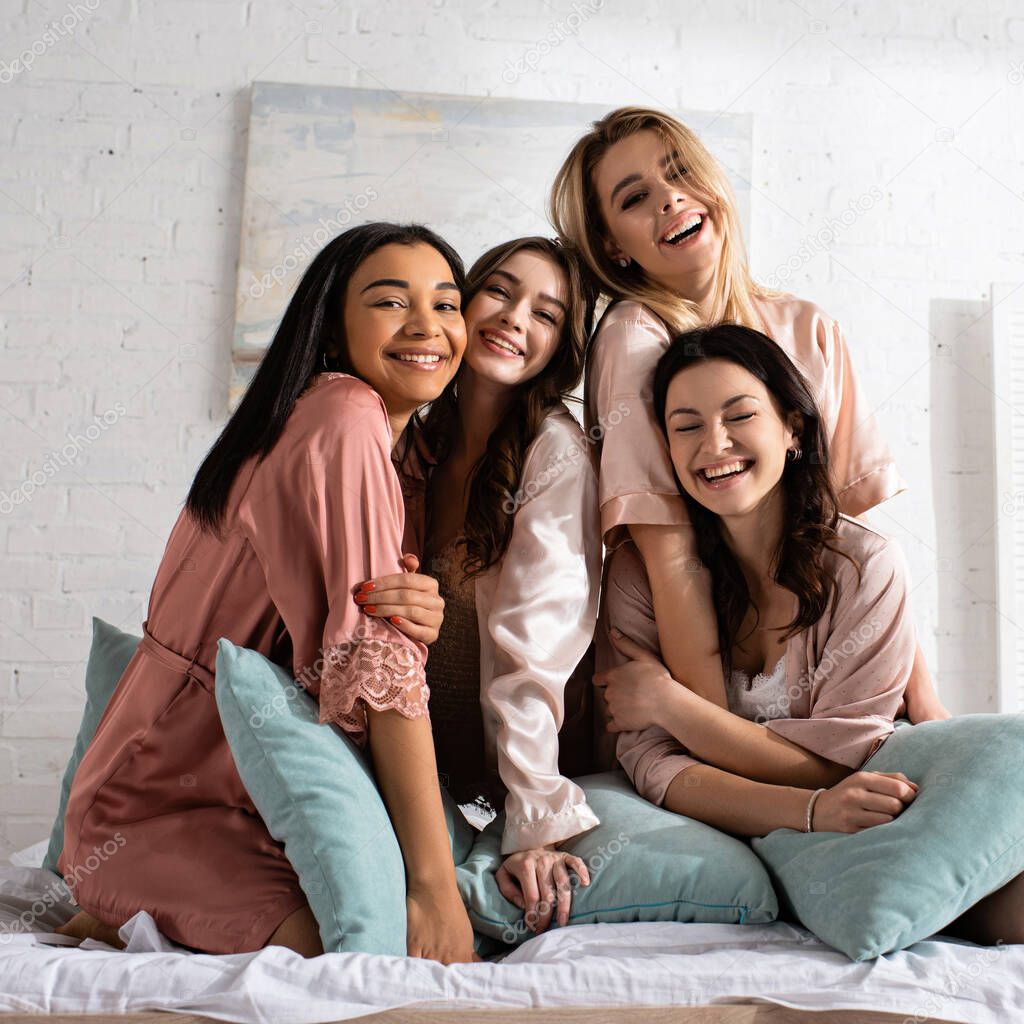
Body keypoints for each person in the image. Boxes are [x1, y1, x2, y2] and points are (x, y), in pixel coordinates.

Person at [55, 223, 477, 963]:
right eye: (390, 302)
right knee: (349, 953)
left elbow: (361, 637)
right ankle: (120, 907)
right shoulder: (341, 415)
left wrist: (417, 614)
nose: (428, 327)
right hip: (156, 808)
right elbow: (378, 676)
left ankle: (128, 917)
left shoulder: (350, 427)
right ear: (333, 330)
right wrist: (434, 892)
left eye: (447, 304)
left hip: (243, 797)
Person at [595, 324, 1024, 946]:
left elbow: (837, 762)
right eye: (686, 426)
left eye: (739, 415)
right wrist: (806, 811)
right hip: (771, 825)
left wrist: (670, 703)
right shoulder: (641, 573)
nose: (714, 445)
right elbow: (653, 763)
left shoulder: (865, 565)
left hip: (860, 801)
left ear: (793, 428)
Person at [549, 105, 950, 728]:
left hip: (825, 672)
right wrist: (722, 746)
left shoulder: (808, 327)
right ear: (611, 244)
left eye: (680, 171)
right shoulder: (633, 337)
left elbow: (852, 536)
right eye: (635, 198)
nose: (669, 199)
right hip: (701, 682)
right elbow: (670, 554)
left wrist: (927, 714)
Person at [357, 237, 602, 934]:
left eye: (547, 314)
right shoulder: (415, 437)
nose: (515, 318)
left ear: (561, 348)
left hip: (509, 768)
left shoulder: (554, 451)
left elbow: (536, 651)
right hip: (419, 756)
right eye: (500, 291)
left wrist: (534, 826)